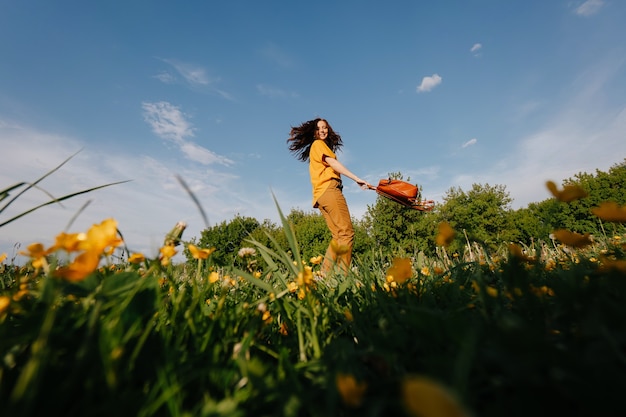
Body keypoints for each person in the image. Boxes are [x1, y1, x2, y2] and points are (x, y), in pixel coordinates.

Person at [287, 118, 372, 276]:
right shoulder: (318, 145)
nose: (323, 131)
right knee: (346, 233)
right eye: (319, 128)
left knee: (338, 236)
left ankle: (324, 275)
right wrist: (357, 179)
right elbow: (333, 163)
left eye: (325, 127)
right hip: (329, 190)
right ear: (314, 132)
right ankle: (341, 277)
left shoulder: (316, 147)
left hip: (321, 196)